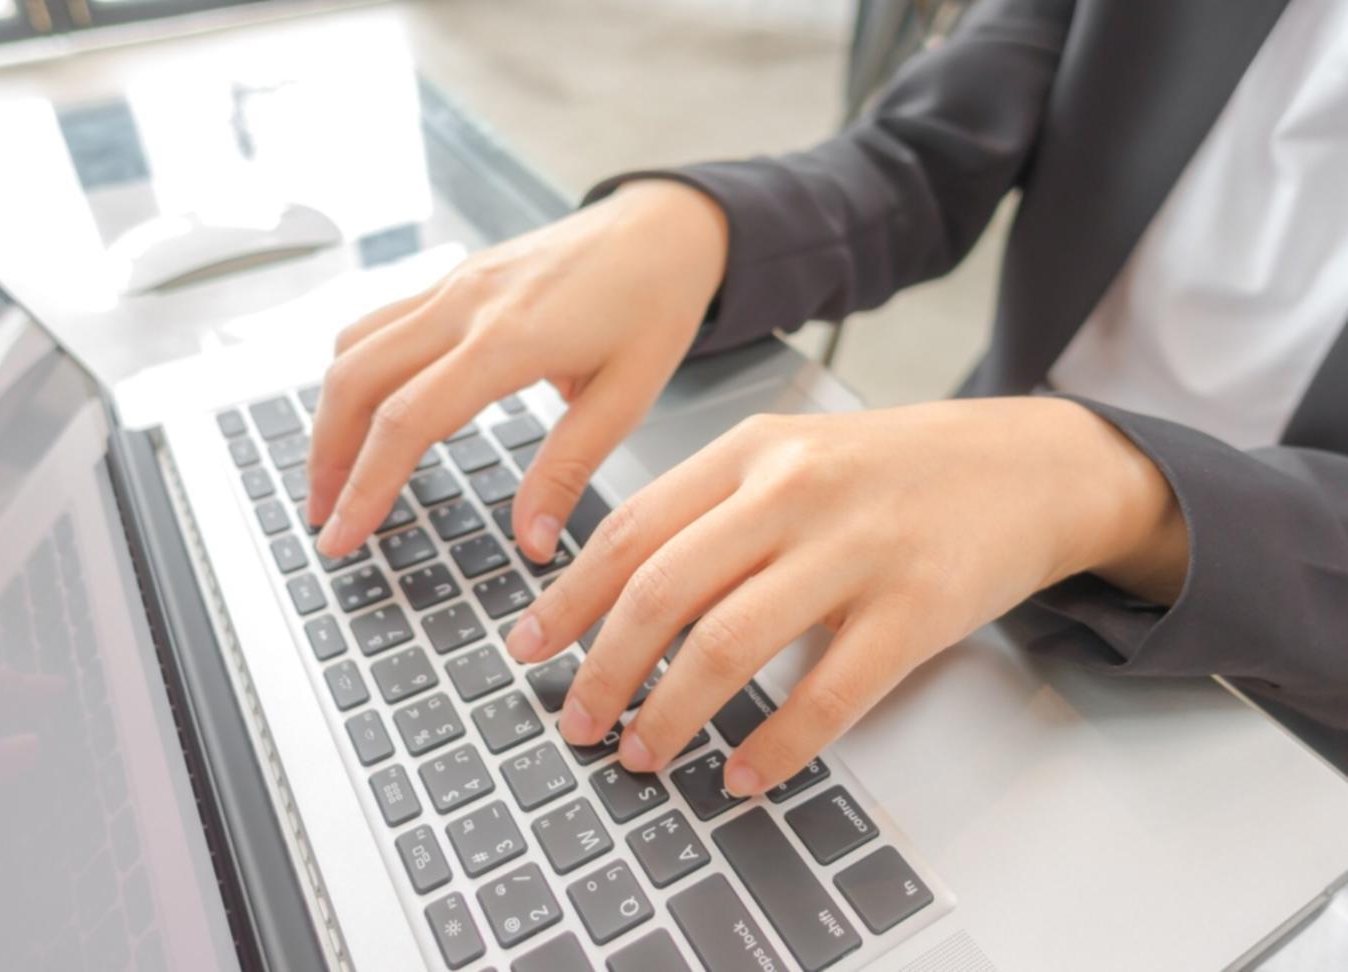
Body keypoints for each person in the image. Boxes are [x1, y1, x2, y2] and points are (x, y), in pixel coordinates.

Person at [306, 0, 1348, 798]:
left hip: (1296, 714)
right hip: (974, 525)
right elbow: (930, 155)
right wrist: (699, 224)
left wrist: (1118, 486)